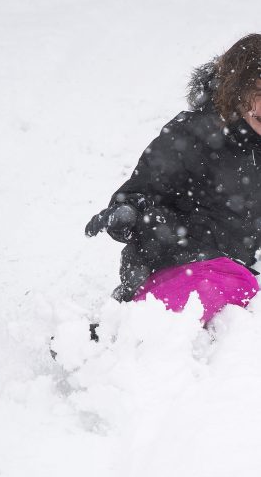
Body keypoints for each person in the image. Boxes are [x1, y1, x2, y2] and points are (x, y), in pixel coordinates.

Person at [85, 33, 261, 322]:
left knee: (239, 287)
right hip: (172, 263)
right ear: (237, 90)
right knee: (235, 286)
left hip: (233, 273)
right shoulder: (194, 135)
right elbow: (143, 189)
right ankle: (123, 332)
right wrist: (130, 212)